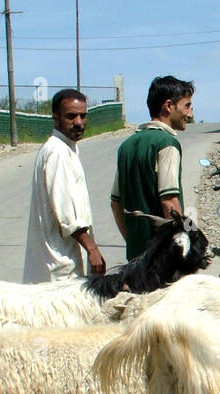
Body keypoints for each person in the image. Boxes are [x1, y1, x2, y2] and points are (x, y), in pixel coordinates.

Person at [22, 89, 104, 283]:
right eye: (71, 116)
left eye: (83, 116)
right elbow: (67, 215)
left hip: (61, 261)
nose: (79, 122)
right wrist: (92, 249)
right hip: (60, 266)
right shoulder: (57, 152)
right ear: (56, 119)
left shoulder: (67, 149)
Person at [112, 75, 193, 259]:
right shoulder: (167, 143)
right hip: (161, 258)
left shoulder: (126, 145)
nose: (190, 114)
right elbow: (169, 202)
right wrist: (183, 246)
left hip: (136, 258)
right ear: (169, 106)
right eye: (186, 106)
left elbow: (116, 202)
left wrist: (132, 240)